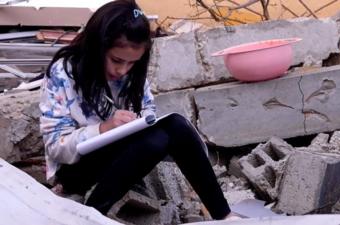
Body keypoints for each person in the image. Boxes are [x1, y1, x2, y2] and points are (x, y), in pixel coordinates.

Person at [39, 0, 238, 220]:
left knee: (175, 126)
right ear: (98, 47)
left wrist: (138, 122)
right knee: (155, 139)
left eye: (132, 63)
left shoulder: (132, 75)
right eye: (116, 60)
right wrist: (104, 129)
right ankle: (93, 212)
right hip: (75, 171)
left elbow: (148, 112)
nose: (122, 70)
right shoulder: (64, 72)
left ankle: (224, 215)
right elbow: (56, 147)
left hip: (124, 156)